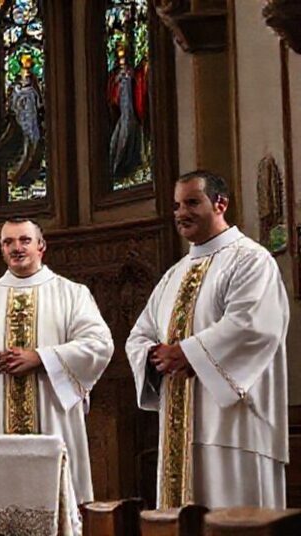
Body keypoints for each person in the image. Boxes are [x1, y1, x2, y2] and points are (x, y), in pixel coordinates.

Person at [127, 170, 288, 508]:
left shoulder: (252, 260)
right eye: (175, 206)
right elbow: (140, 334)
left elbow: (253, 325)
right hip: (179, 431)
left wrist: (187, 354)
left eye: (191, 202)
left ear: (220, 204)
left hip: (234, 427)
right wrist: (156, 356)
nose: (180, 213)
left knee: (234, 517)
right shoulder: (175, 273)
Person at [0, 218, 113, 510]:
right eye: (8, 242)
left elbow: (99, 344)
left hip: (54, 417)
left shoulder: (72, 294)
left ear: (41, 246)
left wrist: (41, 358)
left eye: (24, 240)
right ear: (1, 249)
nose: (16, 248)